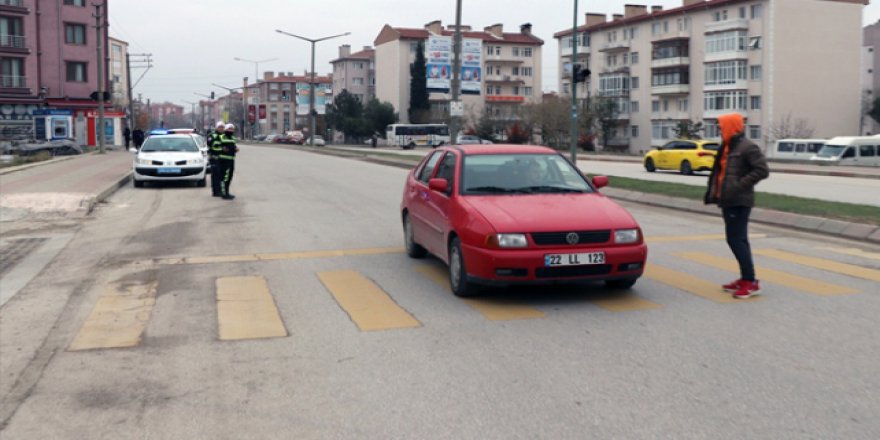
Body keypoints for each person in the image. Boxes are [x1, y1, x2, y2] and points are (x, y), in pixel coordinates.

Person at [704, 113, 770, 299]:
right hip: (728, 199)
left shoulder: (747, 147)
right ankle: (745, 278)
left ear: (731, 126)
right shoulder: (727, 146)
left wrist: (739, 185)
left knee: (736, 240)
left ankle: (750, 282)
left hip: (739, 200)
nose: (718, 130)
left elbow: (762, 170)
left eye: (721, 126)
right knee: (736, 239)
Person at [217, 123, 239, 200]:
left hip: (231, 159)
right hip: (223, 160)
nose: (231, 130)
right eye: (229, 129)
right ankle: (224, 193)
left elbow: (233, 146)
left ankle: (227, 192)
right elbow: (216, 146)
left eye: (232, 129)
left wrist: (236, 149)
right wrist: (222, 148)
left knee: (229, 177)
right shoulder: (221, 137)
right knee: (224, 177)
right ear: (226, 129)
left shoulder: (233, 138)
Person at [208, 121, 225, 197]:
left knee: (222, 176)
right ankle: (215, 191)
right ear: (216, 128)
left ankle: (220, 190)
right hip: (214, 159)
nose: (221, 128)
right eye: (220, 127)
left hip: (223, 159)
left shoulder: (225, 136)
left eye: (222, 127)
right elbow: (209, 147)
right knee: (215, 176)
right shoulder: (212, 136)